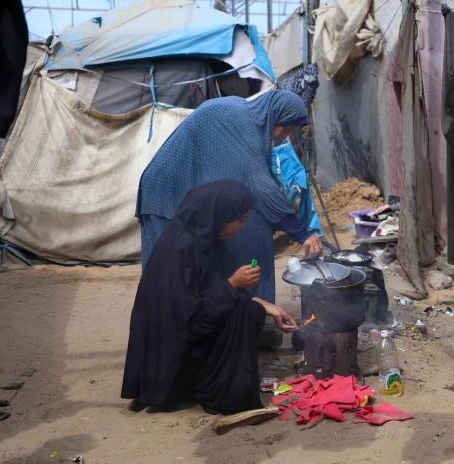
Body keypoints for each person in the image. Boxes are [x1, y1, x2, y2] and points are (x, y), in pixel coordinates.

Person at [122, 180, 299, 415]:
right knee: (243, 314)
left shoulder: (206, 240)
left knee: (251, 310)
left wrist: (270, 307)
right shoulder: (179, 249)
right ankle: (226, 393)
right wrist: (232, 284)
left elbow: (212, 293)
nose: (242, 227)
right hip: (171, 358)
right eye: (240, 220)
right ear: (220, 214)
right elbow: (191, 319)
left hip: (189, 336)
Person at [136, 89, 323, 302]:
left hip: (177, 191)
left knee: (187, 274)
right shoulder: (246, 125)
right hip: (164, 192)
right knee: (165, 274)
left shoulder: (248, 117)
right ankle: (162, 328)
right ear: (274, 115)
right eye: (286, 127)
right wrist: (301, 233)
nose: (284, 136)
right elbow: (260, 186)